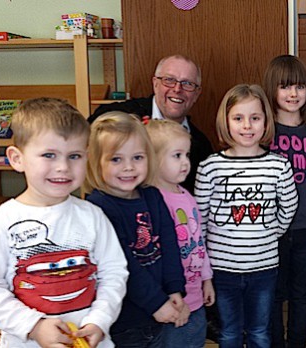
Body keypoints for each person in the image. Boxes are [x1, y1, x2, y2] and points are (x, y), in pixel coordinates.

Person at [0, 98, 128, 347]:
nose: (63, 167)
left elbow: (114, 274)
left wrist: (99, 321)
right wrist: (34, 326)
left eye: (74, 156)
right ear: (17, 159)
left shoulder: (93, 216)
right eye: (49, 155)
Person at [194, 84, 299, 347]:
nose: (247, 126)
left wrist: (269, 233)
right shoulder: (210, 167)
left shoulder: (278, 165)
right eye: (238, 118)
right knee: (229, 332)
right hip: (222, 269)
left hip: (264, 268)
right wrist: (205, 267)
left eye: (255, 118)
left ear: (266, 121)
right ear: (226, 121)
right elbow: (200, 220)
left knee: (260, 332)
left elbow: (289, 206)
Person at [84, 112, 189, 348]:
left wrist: (174, 289)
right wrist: (155, 303)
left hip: (160, 312)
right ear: (95, 162)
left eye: (137, 157)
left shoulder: (152, 195)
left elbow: (170, 243)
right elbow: (123, 264)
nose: (129, 167)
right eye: (116, 160)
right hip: (125, 321)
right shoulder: (99, 207)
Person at [262, 55, 306, 348]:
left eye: (300, 87)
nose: (293, 94)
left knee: (301, 293)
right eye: (285, 87)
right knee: (275, 295)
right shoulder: (264, 133)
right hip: (270, 232)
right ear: (272, 90)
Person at [88, 54, 214, 192]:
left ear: (196, 94)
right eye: (169, 80)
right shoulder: (116, 115)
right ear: (155, 84)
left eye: (187, 84)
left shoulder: (201, 147)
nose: (177, 89)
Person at [146, 119, 215, 348]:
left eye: (186, 155)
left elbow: (199, 241)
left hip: (196, 295)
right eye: (176, 156)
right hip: (173, 302)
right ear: (153, 159)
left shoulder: (186, 195)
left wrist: (207, 279)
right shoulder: (153, 201)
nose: (185, 162)